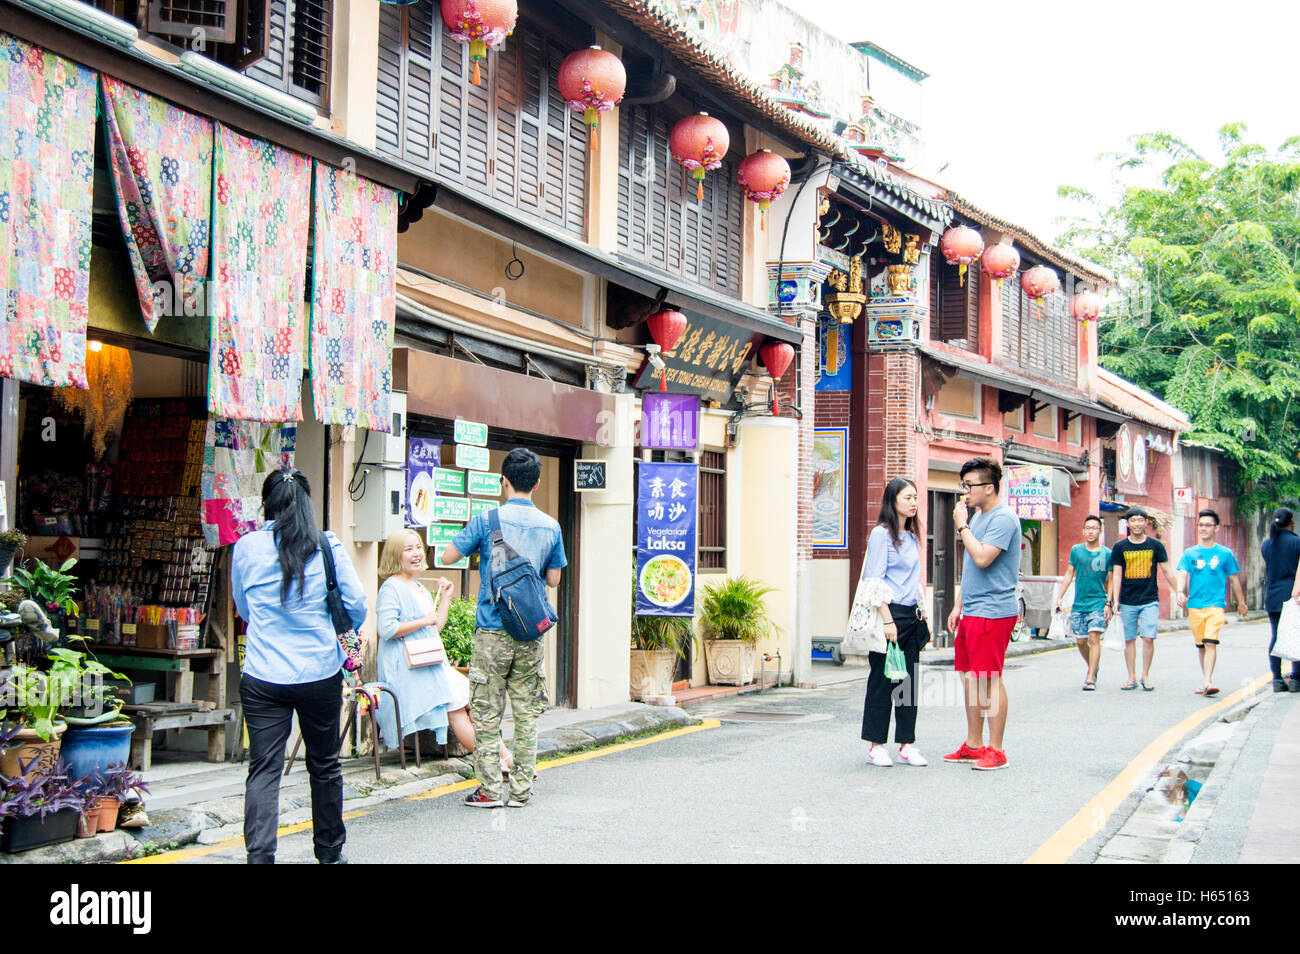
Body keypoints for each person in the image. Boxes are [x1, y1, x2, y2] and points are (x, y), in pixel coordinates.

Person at [231, 468, 366, 864]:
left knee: (264, 769)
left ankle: (260, 857)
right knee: (324, 765)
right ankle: (329, 854)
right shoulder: (327, 546)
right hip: (318, 674)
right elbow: (356, 605)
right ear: (307, 502)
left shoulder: (246, 547)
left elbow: (244, 609)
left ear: (267, 505)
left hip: (261, 676)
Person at [441, 448, 566, 808]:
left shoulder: (486, 519)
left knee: (485, 712)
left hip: (493, 631)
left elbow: (447, 558)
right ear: (538, 483)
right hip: (530, 632)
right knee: (527, 714)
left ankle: (490, 790)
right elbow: (553, 581)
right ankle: (522, 791)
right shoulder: (551, 526)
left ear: (504, 481)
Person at [375, 529, 513, 770]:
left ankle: (503, 758)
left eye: (418, 547)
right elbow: (387, 629)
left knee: (472, 704)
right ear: (395, 555)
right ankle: (497, 762)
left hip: (428, 663)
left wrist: (446, 597)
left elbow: (435, 626)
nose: (417, 553)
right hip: (408, 668)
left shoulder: (416, 586)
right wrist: (423, 621)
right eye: (408, 549)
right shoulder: (391, 588)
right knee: (458, 708)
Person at [944, 457, 1022, 771]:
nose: (965, 492)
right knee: (970, 679)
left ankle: (997, 749)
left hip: (994, 611)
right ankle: (974, 744)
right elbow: (970, 568)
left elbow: (982, 558)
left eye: (970, 485)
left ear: (989, 488)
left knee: (989, 678)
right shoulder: (978, 517)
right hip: (973, 610)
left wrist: (961, 524)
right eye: (963, 485)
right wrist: (958, 604)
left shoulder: (1003, 519)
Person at [859, 477, 931, 767]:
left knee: (908, 683)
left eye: (915, 497)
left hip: (911, 615)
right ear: (893, 501)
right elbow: (874, 580)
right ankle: (876, 745)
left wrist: (923, 612)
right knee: (882, 681)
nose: (913, 502)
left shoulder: (912, 536)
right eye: (907, 498)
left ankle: (906, 744)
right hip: (888, 616)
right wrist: (888, 621)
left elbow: (912, 580)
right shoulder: (881, 535)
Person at [1107, 508, 1183, 692]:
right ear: (1128, 523)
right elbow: (1116, 574)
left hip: (1150, 598)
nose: (1137, 524)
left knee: (1149, 638)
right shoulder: (1120, 547)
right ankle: (1131, 676)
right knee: (1130, 639)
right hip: (1127, 600)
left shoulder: (1155, 545)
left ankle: (1145, 675)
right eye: (1133, 520)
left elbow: (1166, 570)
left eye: (1140, 520)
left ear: (1145, 522)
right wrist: (1115, 600)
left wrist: (1178, 591)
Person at [1175, 509, 1247, 695]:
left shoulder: (1225, 553)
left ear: (1216, 528)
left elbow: (1234, 579)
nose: (1204, 528)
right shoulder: (1190, 553)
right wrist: (1180, 591)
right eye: (1201, 525)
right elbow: (1183, 573)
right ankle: (1205, 680)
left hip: (1215, 604)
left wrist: (1241, 603)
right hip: (1195, 606)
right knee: (1201, 645)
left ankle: (1208, 681)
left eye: (1208, 525)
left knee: (1210, 642)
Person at [1054, 515, 1111, 690]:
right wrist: (1059, 596)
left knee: (1094, 637)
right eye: (1088, 528)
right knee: (1080, 641)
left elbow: (1111, 579)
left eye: (1094, 528)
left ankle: (1091, 676)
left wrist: (1109, 603)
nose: (1091, 531)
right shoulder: (1076, 551)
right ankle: (1093, 665)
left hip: (1098, 602)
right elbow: (1069, 573)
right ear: (1083, 531)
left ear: (1100, 531)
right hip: (1079, 603)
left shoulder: (1108, 553)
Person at [1260, 507, 1300, 692]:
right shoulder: (1297, 542)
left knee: (1275, 635)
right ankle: (1296, 679)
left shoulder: (1267, 544)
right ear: (1291, 522)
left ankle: (1276, 679)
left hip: (1273, 596)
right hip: (1293, 595)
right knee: (1296, 635)